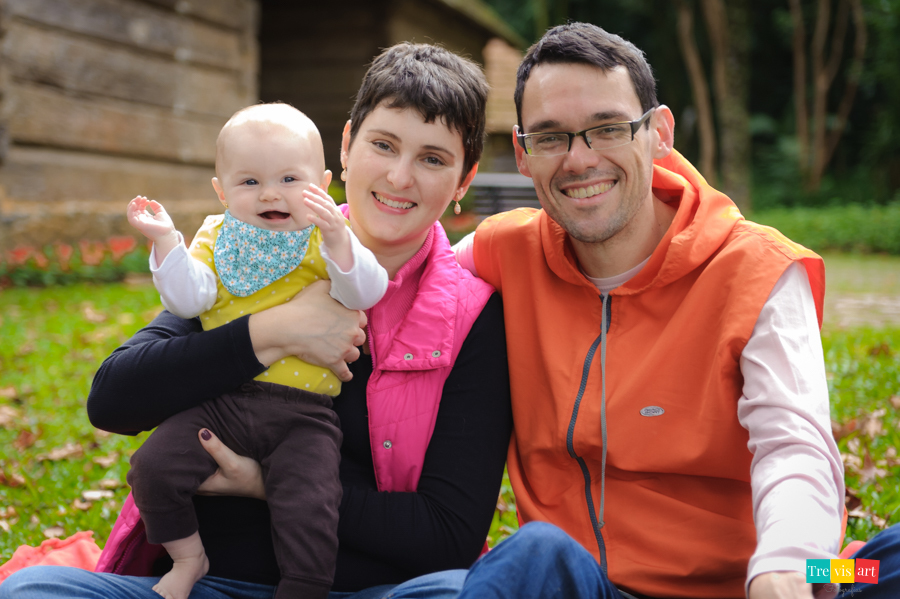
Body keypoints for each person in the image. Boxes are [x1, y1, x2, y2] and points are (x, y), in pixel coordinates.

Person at [0, 43, 512, 599]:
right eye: (383, 145)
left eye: (433, 159)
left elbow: (448, 537)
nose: (398, 176)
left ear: (465, 180)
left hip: (369, 591)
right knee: (32, 591)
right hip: (207, 584)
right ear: (345, 146)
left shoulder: (471, 315)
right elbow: (115, 398)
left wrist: (267, 483)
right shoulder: (256, 248)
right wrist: (274, 331)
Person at [448, 22, 899, 599]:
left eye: (608, 128)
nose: (579, 159)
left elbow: (793, 441)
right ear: (522, 152)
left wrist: (785, 563)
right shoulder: (500, 251)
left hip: (771, 579)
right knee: (528, 555)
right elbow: (396, 284)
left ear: (658, 132)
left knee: (878, 564)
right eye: (551, 137)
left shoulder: (757, 267)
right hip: (590, 584)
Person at [122, 103, 389, 599]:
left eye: (290, 178)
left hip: (303, 412)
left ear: (324, 183)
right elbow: (190, 298)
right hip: (222, 400)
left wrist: (339, 240)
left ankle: (304, 587)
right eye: (248, 183)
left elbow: (365, 293)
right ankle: (187, 556)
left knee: (310, 500)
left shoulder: (326, 239)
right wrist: (167, 245)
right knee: (153, 466)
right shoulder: (217, 237)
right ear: (222, 191)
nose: (270, 193)